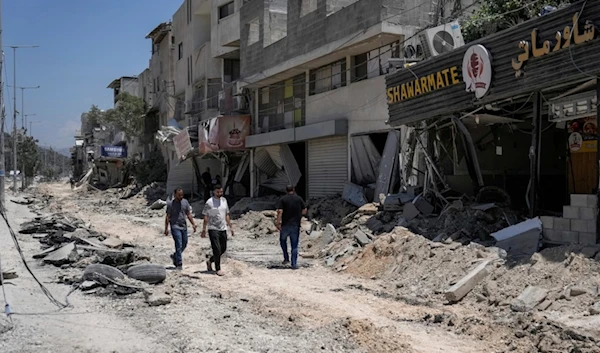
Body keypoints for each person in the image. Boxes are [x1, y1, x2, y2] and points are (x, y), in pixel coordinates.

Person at [202, 184, 234, 276]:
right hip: (213, 228)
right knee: (217, 249)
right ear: (214, 192)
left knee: (223, 248)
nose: (220, 193)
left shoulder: (224, 201)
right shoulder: (209, 202)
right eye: (218, 192)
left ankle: (210, 260)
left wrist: (230, 226)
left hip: (223, 228)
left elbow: (227, 214)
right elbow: (206, 216)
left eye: (221, 192)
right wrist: (204, 229)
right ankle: (218, 268)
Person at [165, 188, 197, 270]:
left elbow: (188, 214)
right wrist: (166, 228)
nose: (181, 196)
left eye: (182, 195)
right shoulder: (170, 204)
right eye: (179, 195)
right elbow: (168, 217)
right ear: (175, 195)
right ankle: (179, 263)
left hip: (183, 226)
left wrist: (193, 224)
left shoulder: (185, 202)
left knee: (184, 243)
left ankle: (175, 255)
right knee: (178, 244)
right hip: (175, 226)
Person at [276, 185, 307, 270]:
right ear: (293, 190)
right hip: (295, 225)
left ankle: (286, 258)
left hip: (285, 225)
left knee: (283, 241)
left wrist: (278, 223)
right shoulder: (299, 199)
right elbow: (304, 211)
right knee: (294, 245)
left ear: (286, 190)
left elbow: (280, 211)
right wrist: (299, 214)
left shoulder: (283, 199)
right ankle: (294, 264)